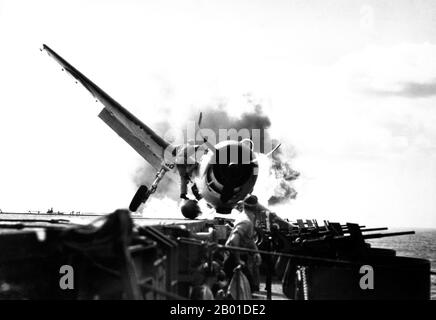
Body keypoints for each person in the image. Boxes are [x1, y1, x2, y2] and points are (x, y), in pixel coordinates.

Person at [224, 195, 262, 292]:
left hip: (236, 256)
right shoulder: (246, 222)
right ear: (256, 207)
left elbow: (248, 239)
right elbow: (233, 241)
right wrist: (238, 260)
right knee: (247, 288)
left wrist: (256, 252)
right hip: (233, 259)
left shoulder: (245, 218)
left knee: (248, 287)